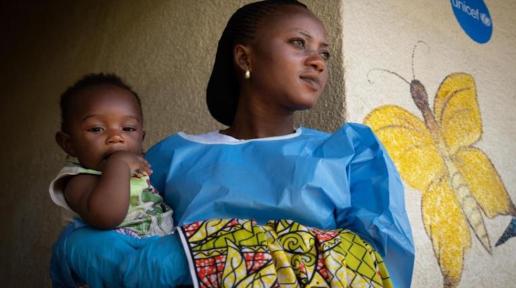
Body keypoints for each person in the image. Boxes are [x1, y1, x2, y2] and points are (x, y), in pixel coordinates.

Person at [50, 1, 414, 287]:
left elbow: (380, 267)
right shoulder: (171, 155)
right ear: (245, 58)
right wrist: (81, 249)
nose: (317, 62)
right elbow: (119, 238)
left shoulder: (352, 153)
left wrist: (201, 254)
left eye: (325, 52)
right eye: (298, 43)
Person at [49, 73, 174, 286]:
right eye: (97, 129)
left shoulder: (142, 169)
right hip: (114, 261)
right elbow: (106, 216)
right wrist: (119, 164)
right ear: (68, 143)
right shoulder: (77, 180)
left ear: (141, 138)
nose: (116, 137)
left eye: (128, 129)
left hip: (156, 254)